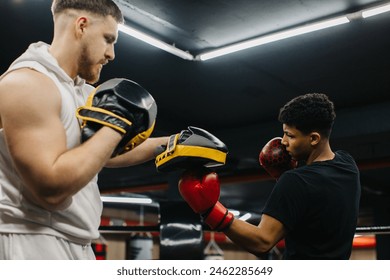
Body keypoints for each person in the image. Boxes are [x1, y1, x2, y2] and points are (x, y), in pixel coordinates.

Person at [0, 0, 168, 259]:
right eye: (108, 39)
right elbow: (51, 188)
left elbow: (104, 152)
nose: (111, 54)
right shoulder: (28, 83)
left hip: (76, 241)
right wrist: (116, 125)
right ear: (82, 26)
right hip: (32, 239)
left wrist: (172, 145)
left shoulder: (83, 93)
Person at [178, 93, 361, 259]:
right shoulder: (348, 164)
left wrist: (210, 211)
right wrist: (283, 176)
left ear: (313, 139)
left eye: (290, 135)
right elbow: (314, 203)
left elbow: (263, 242)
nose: (283, 141)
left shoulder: (295, 181)